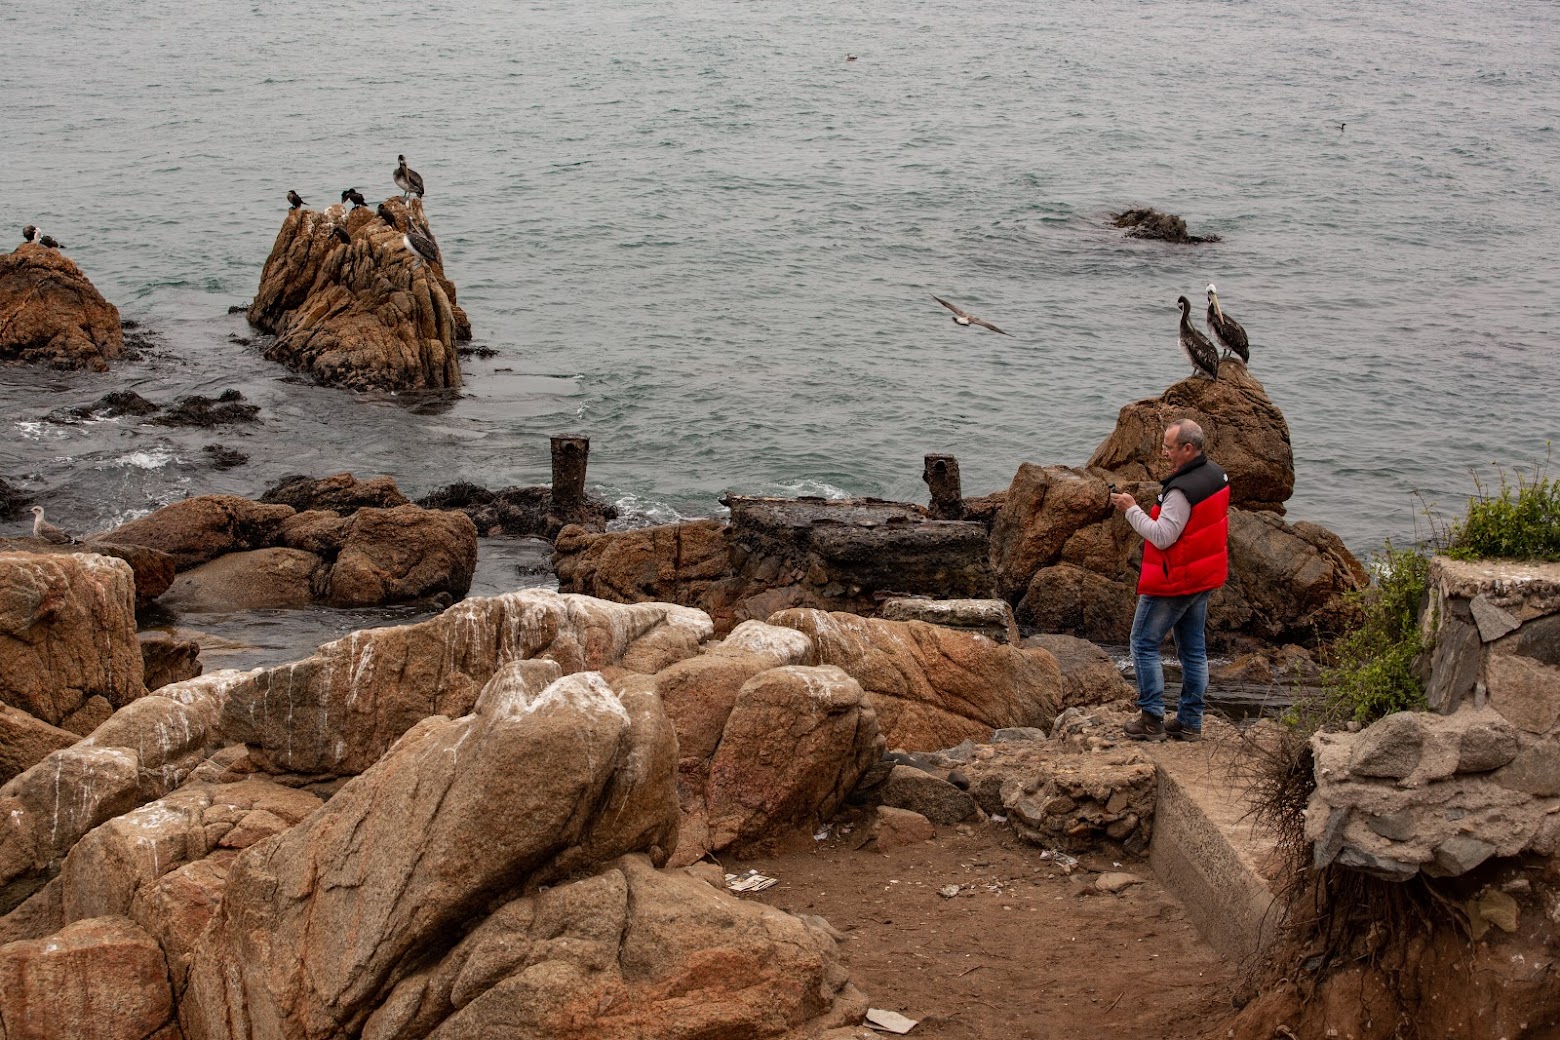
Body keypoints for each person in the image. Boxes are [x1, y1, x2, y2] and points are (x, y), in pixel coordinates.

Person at [1108, 419, 1229, 741]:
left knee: (1143, 643)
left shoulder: (1180, 491)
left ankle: (1151, 718)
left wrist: (1131, 509)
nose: (1164, 453)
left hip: (1176, 580)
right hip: (1204, 575)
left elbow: (1163, 537)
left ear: (1188, 449)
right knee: (1193, 649)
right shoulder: (1216, 475)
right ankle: (1190, 722)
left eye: (1169, 448)